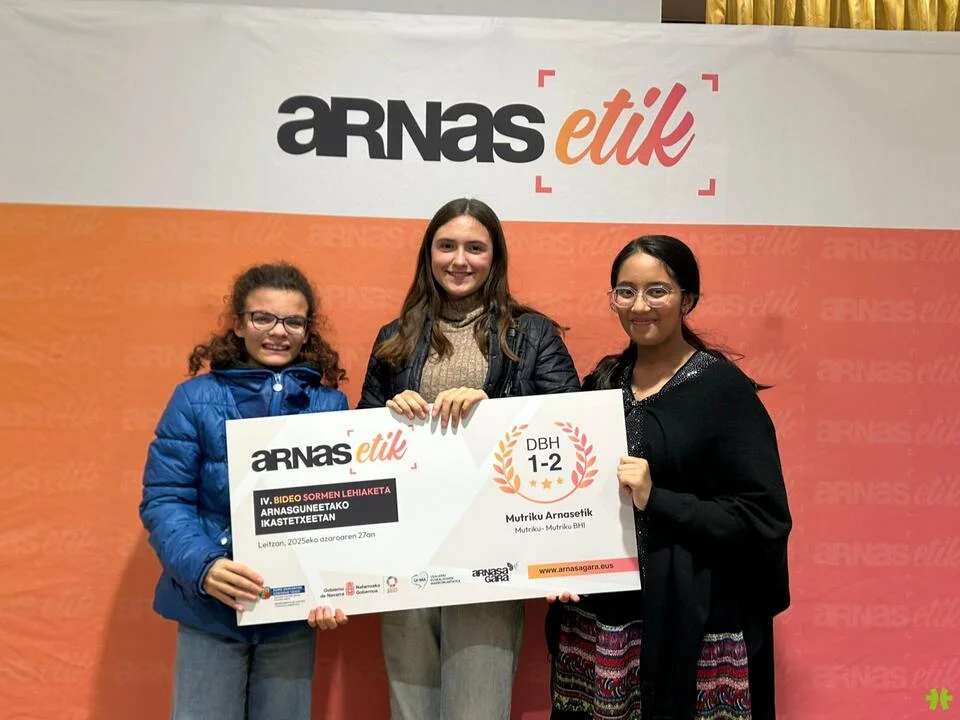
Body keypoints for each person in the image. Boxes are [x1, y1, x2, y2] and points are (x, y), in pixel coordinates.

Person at [546, 235, 792, 720]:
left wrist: (658, 498)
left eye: (657, 291)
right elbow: (566, 494)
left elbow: (763, 517)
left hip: (693, 616)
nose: (640, 306)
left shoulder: (723, 391)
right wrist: (556, 563)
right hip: (604, 617)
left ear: (688, 299)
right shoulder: (602, 384)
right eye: (626, 291)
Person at [358, 197, 581, 720]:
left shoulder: (532, 333)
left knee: (477, 707)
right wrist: (389, 415)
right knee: (410, 708)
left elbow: (569, 429)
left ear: (494, 257)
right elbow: (362, 447)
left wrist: (494, 410)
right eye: (447, 246)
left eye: (475, 248)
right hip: (409, 549)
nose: (460, 260)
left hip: (493, 549)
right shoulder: (394, 337)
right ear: (429, 254)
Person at [139, 262, 351, 720]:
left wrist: (334, 586)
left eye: (293, 321)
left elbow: (343, 510)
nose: (278, 331)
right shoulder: (193, 399)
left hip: (292, 617)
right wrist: (204, 567)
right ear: (238, 324)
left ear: (307, 331)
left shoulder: (330, 406)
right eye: (263, 318)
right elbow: (165, 499)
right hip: (211, 610)